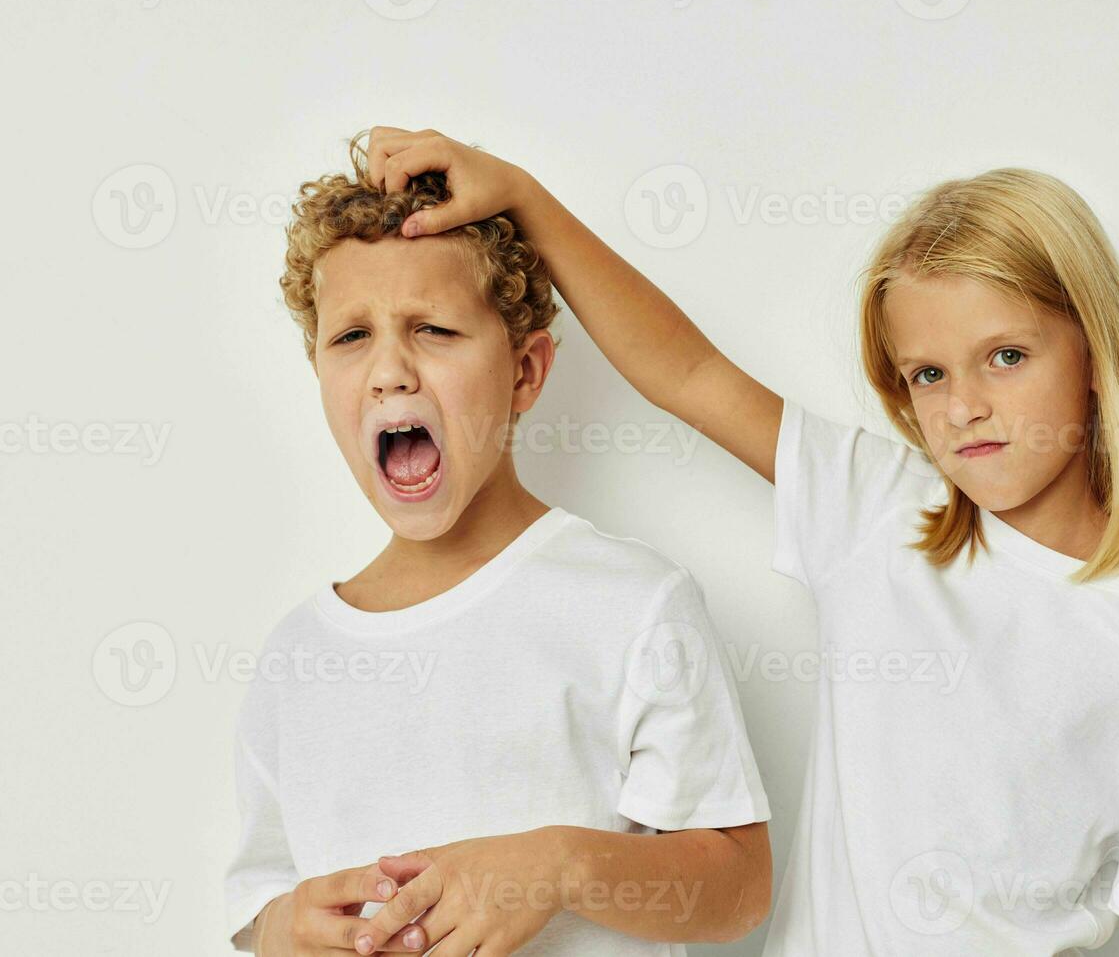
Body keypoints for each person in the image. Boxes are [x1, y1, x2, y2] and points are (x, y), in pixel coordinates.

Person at [359, 125, 1119, 956]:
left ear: (1093, 352)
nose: (963, 406)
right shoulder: (883, 514)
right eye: (927, 373)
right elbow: (684, 370)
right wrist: (524, 196)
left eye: (1007, 355)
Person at [222, 132, 772, 956]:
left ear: (525, 373)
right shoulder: (295, 656)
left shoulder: (631, 604)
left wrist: (556, 866)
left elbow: (739, 887)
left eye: (434, 330)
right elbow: (261, 899)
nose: (389, 372)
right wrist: (277, 931)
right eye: (349, 338)